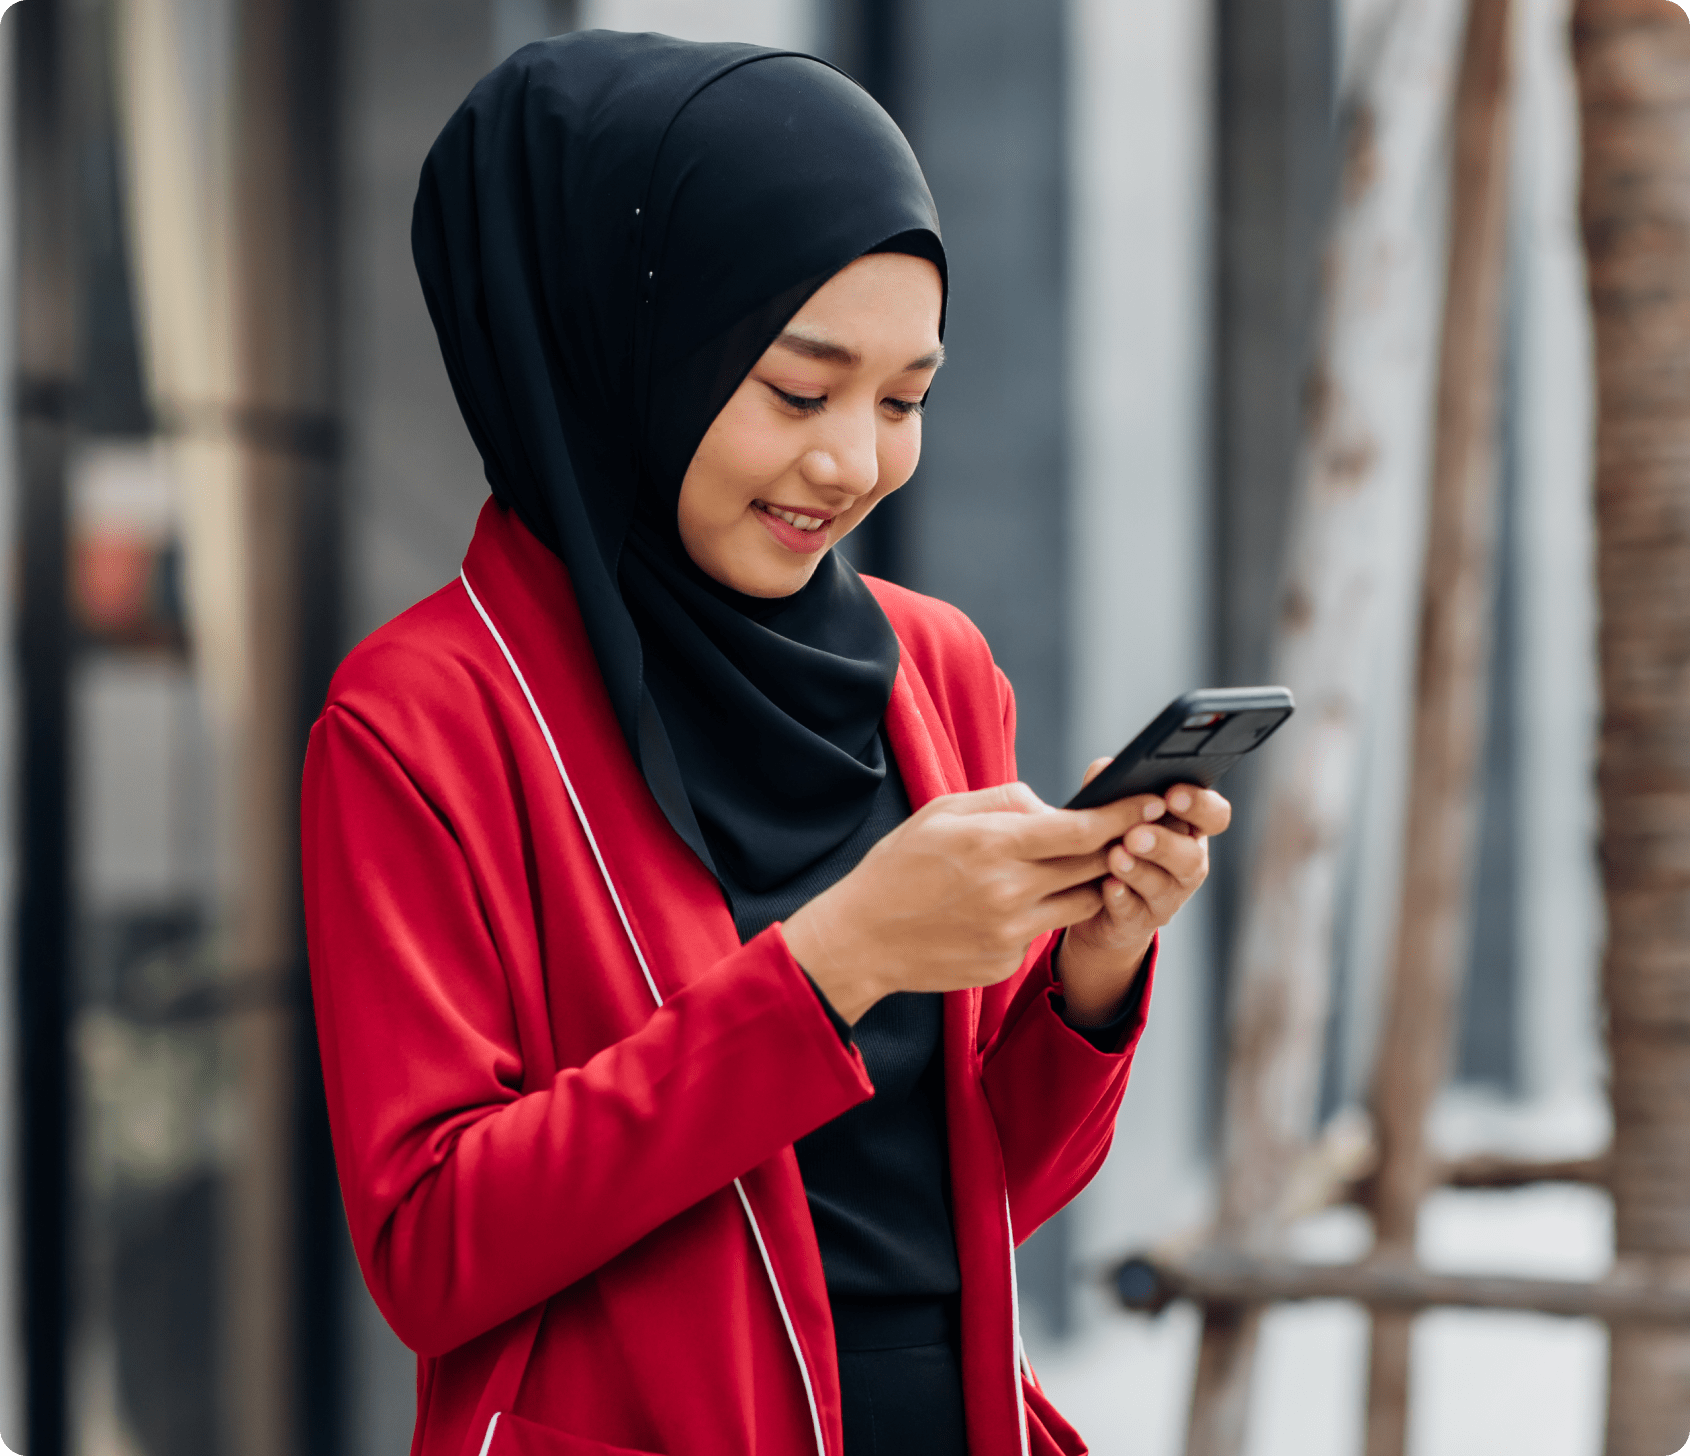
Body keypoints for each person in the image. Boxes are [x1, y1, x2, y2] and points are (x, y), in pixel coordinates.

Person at [301, 30, 1229, 1456]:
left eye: (904, 399)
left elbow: (982, 1200)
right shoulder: (424, 719)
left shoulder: (934, 670)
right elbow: (433, 1253)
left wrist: (1093, 969)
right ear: (622, 351)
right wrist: (835, 962)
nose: (852, 463)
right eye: (797, 391)